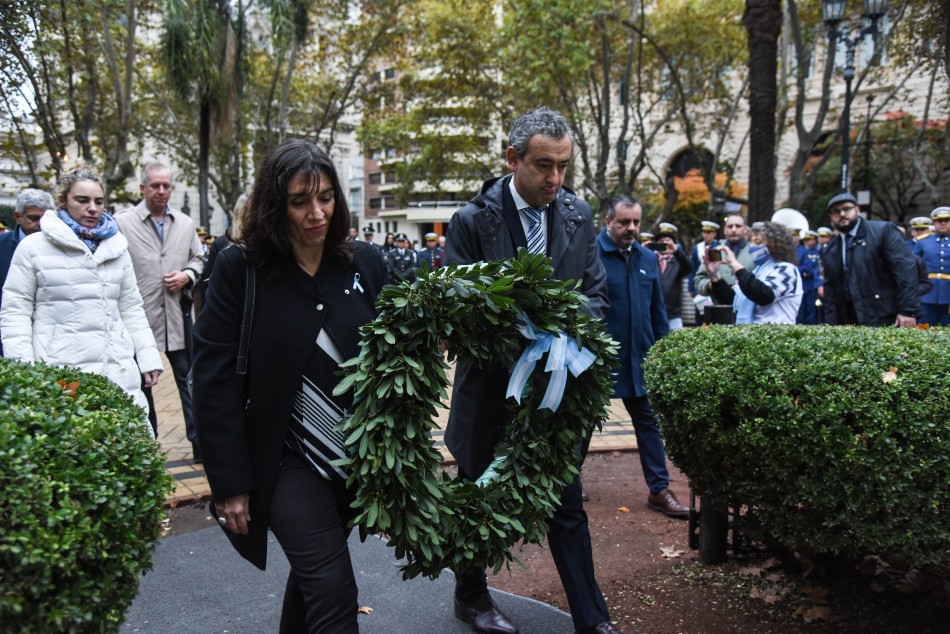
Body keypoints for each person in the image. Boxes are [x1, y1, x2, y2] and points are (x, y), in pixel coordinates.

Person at [192, 138, 387, 633]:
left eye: (325, 197)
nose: (316, 213)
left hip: (351, 455)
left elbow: (395, 353)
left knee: (312, 582)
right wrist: (229, 484)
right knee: (333, 588)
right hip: (283, 459)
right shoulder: (241, 270)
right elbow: (212, 381)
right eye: (299, 202)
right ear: (274, 206)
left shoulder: (364, 263)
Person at [443, 108, 623, 634]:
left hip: (553, 398)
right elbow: (462, 315)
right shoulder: (472, 221)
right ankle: (471, 599)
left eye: (564, 166)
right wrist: (525, 327)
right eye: (544, 165)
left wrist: (558, 331)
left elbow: (596, 298)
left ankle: (593, 619)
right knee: (476, 496)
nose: (555, 179)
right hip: (487, 393)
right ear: (512, 158)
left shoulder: (576, 214)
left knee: (567, 505)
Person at [0, 163, 161, 435]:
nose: (92, 208)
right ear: (63, 201)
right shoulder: (33, 247)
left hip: (117, 369)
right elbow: (15, 311)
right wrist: (24, 369)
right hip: (61, 371)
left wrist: (148, 357)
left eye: (99, 201)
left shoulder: (117, 246)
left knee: (124, 450)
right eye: (82, 200)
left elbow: (131, 307)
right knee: (74, 451)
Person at [597, 196, 689, 523]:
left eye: (636, 222)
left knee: (649, 424)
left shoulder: (648, 257)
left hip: (640, 359)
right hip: (598, 360)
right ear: (607, 221)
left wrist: (664, 353)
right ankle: (568, 481)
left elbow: (658, 312)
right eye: (624, 222)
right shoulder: (589, 256)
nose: (631, 228)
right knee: (580, 426)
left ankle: (659, 489)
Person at [115, 163, 205, 451]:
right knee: (143, 388)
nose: (162, 191)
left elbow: (200, 258)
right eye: (155, 185)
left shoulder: (185, 223)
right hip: (141, 323)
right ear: (143, 188)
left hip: (178, 319)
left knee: (191, 384)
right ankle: (148, 444)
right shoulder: (122, 223)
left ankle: (198, 443)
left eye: (166, 185)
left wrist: (186, 275)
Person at [819, 193, 921, 327]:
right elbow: (830, 289)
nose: (842, 214)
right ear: (831, 217)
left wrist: (908, 310)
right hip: (847, 319)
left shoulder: (884, 231)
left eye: (846, 209)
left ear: (857, 210)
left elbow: (905, 271)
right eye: (836, 211)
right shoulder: (831, 248)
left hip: (884, 315)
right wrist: (831, 324)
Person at [704, 221, 803, 324]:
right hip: (751, 336)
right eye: (751, 241)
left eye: (758, 242)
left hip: (776, 337)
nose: (752, 246)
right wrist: (715, 276)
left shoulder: (786, 269)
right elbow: (732, 300)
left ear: (775, 245)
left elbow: (764, 295)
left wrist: (734, 264)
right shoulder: (757, 271)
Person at [0, 188, 54, 355]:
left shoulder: (61, 247)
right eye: (34, 218)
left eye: (45, 218)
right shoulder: (2, 246)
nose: (40, 224)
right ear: (18, 217)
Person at [693, 213, 754, 298]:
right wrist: (712, 285)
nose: (733, 229)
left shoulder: (753, 251)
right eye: (730, 226)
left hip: (748, 305)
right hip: (719, 306)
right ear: (725, 230)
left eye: (738, 226)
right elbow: (699, 279)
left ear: (745, 229)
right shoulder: (716, 251)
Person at [910, 206, 950, 326]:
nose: (942, 223)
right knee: (924, 329)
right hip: (927, 293)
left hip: (948, 293)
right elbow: (912, 267)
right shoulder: (923, 241)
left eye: (946, 220)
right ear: (933, 222)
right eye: (939, 221)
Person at [654, 222, 693, 330]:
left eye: (668, 241)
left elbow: (689, 268)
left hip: (673, 313)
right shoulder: (650, 260)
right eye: (661, 242)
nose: (664, 244)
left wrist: (676, 252)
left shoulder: (678, 261)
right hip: (653, 312)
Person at [796, 229, 822, 324]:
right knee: (801, 312)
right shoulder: (802, 251)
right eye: (805, 240)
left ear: (814, 240)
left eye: (809, 239)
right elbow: (798, 267)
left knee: (811, 312)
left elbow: (817, 268)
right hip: (803, 284)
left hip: (812, 285)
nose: (806, 241)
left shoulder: (818, 251)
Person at [689, 220, 720, 295]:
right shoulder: (697, 247)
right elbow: (693, 268)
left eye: (708, 233)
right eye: (704, 232)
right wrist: (691, 287)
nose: (705, 235)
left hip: (716, 283)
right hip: (700, 283)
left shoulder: (719, 246)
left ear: (714, 233)